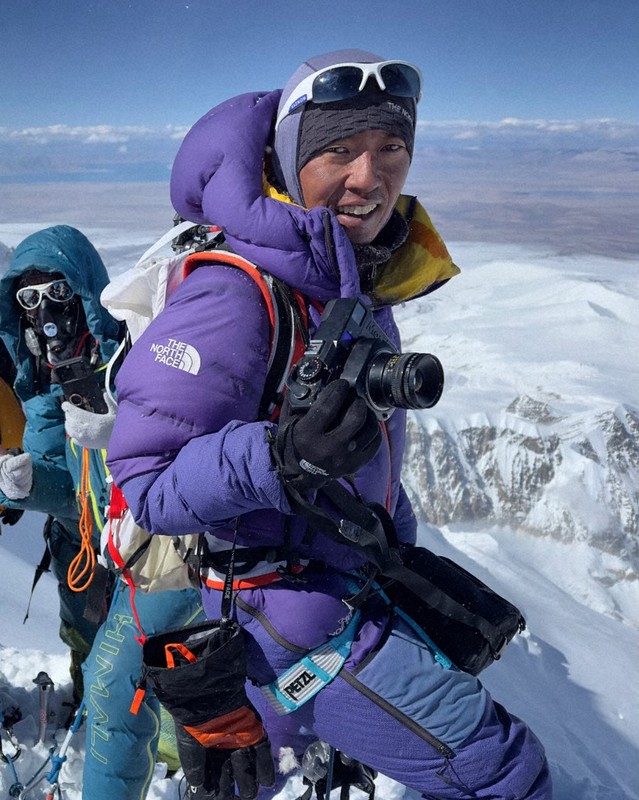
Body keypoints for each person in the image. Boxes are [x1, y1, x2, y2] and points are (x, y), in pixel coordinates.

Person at [107, 49, 552, 800]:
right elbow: (144, 482)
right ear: (287, 159)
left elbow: (362, 457)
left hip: (341, 593)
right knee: (503, 770)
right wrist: (278, 457)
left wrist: (394, 553)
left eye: (391, 149)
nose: (368, 177)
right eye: (338, 150)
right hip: (284, 617)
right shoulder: (235, 297)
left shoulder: (351, 280)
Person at [0, 225, 203, 799]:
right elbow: (69, 489)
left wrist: (119, 437)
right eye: (30, 300)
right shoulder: (42, 386)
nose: (47, 315)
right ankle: (99, 721)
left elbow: (176, 442)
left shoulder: (136, 349)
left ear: (86, 290)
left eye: (58, 294)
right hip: (87, 542)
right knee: (91, 642)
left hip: (155, 546)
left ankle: (167, 750)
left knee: (141, 664)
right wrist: (29, 486)